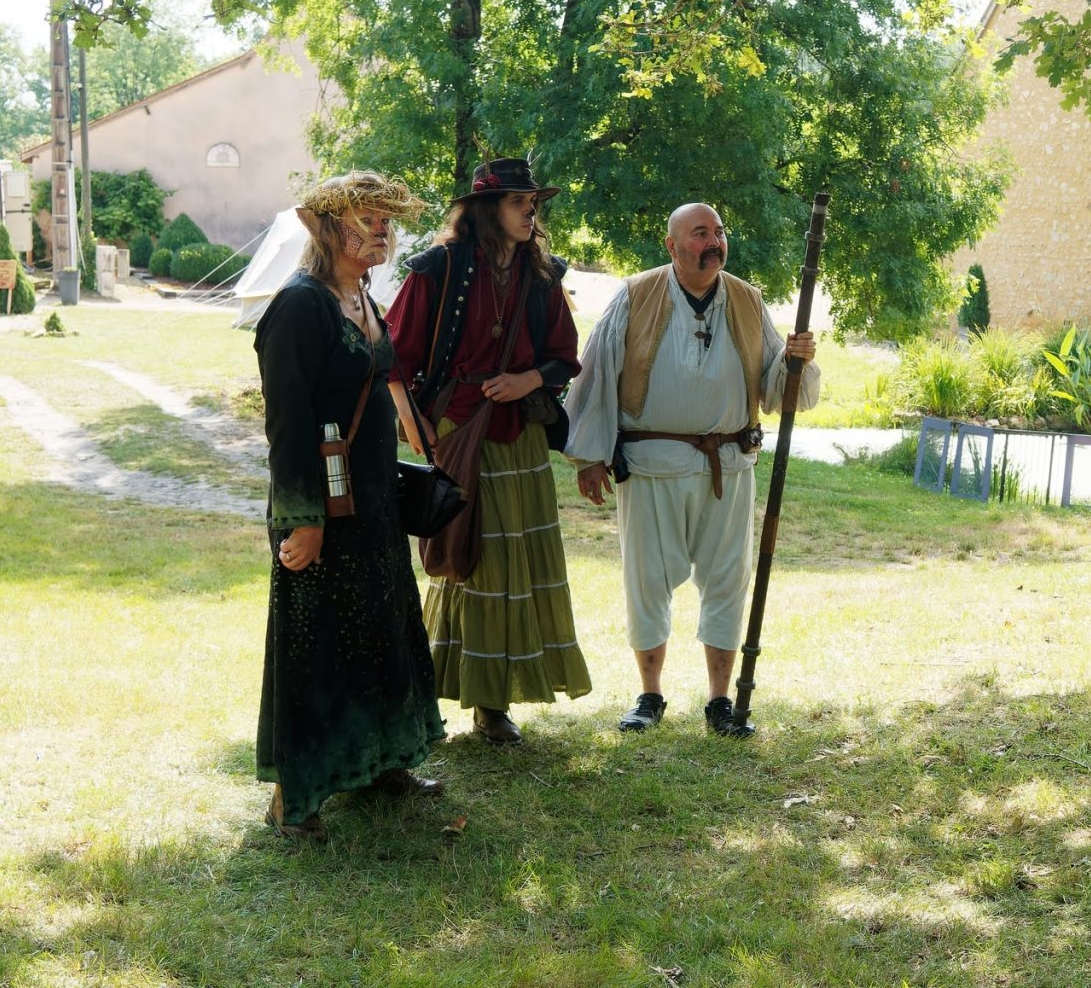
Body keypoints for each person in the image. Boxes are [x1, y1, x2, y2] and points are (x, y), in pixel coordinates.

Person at [562, 202, 820, 738]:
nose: (714, 242)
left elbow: (777, 388)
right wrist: (590, 456)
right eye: (700, 233)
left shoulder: (746, 299)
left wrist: (795, 359)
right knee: (646, 580)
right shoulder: (636, 295)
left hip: (729, 464)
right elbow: (598, 372)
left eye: (719, 232)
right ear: (673, 245)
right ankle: (649, 694)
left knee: (727, 579)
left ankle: (720, 701)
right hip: (651, 467)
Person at [255, 172, 447, 842]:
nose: (385, 230)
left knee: (382, 632)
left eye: (388, 220)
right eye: (370, 219)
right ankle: (293, 798)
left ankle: (382, 762)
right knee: (315, 650)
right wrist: (303, 519)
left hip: (373, 504)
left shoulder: (362, 295)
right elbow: (286, 425)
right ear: (332, 228)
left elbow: (382, 383)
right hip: (320, 508)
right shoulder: (298, 307)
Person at [388, 156, 592, 745]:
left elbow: (564, 356)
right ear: (485, 209)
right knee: (471, 559)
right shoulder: (439, 269)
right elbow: (392, 355)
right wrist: (414, 425)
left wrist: (528, 380)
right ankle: (463, 693)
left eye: (534, 203)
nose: (531, 212)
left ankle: (493, 703)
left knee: (517, 562)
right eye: (517, 202)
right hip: (459, 429)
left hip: (521, 435)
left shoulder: (543, 274)